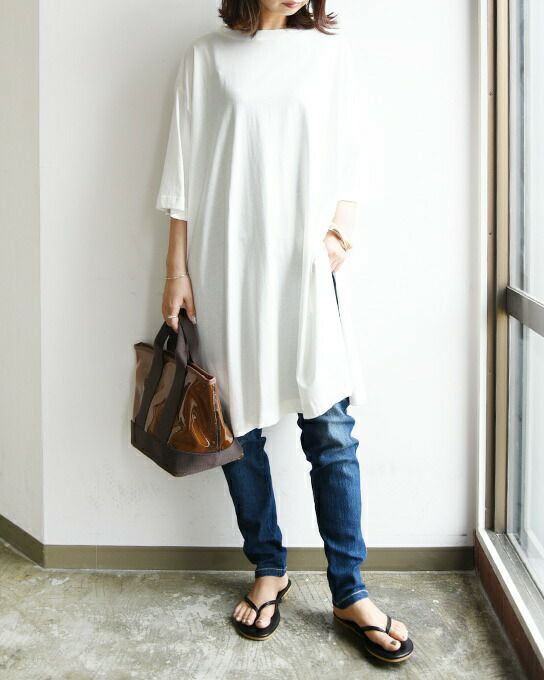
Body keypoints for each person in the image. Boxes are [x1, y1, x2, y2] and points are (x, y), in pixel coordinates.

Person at [155, 0, 412, 664]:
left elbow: (355, 155)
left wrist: (341, 232)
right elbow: (182, 175)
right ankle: (269, 567)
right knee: (237, 429)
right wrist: (176, 271)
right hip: (226, 265)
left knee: (330, 429)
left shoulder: (328, 56)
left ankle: (350, 590)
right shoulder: (206, 57)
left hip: (303, 267)